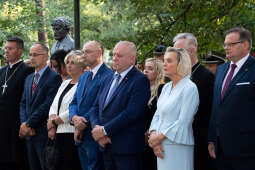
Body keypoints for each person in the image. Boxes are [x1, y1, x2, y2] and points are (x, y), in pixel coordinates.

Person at [88, 41, 150, 170]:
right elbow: (95, 107)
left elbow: (132, 113)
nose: (114, 58)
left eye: (119, 55)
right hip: (105, 146)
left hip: (126, 149)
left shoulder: (140, 80)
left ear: (132, 59)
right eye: (114, 54)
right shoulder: (108, 78)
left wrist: (104, 131)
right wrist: (97, 129)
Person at [208, 27, 255, 170]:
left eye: (231, 44)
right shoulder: (221, 69)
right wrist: (211, 138)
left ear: (246, 45)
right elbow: (216, 105)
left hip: (247, 149)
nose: (226, 48)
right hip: (220, 147)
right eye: (225, 44)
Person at [148, 47, 199, 170]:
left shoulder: (190, 88)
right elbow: (157, 115)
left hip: (178, 145)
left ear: (181, 64)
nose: (164, 64)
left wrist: (157, 139)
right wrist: (154, 136)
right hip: (160, 146)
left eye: (169, 61)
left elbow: (183, 121)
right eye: (164, 60)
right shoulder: (165, 87)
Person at [173, 33, 215, 170]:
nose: (175, 54)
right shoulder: (175, 77)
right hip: (173, 139)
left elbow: (206, 113)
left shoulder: (206, 77)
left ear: (192, 50)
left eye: (179, 51)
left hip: (196, 141)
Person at [69, 41, 112, 170]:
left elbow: (99, 105)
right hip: (80, 133)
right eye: (83, 52)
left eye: (87, 52)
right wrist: (75, 118)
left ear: (99, 53)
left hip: (94, 134)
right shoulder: (84, 76)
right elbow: (74, 102)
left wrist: (82, 123)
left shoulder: (109, 75)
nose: (83, 55)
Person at [19, 42, 62, 170]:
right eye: (30, 54)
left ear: (45, 56)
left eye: (35, 55)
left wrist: (29, 124)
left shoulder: (54, 77)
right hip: (29, 133)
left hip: (43, 132)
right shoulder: (29, 78)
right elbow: (23, 103)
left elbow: (47, 105)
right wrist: (24, 124)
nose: (31, 57)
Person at [0, 37, 34, 170]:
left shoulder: (27, 71)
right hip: (1, 125)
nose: (6, 51)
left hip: (17, 124)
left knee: (17, 160)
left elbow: (26, 100)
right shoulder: (2, 71)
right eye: (6, 48)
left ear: (20, 51)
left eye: (10, 48)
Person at [47, 50, 84, 170]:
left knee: (70, 164)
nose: (68, 65)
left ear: (81, 66)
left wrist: (56, 121)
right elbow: (54, 105)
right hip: (58, 132)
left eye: (72, 62)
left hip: (71, 131)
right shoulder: (65, 83)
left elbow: (77, 106)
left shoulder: (83, 84)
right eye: (67, 62)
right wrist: (52, 122)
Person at [142, 58, 165, 170]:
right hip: (142, 135)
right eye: (145, 68)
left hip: (154, 135)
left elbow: (159, 114)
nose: (145, 71)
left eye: (150, 69)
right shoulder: (142, 88)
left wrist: (151, 131)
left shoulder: (162, 88)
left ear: (159, 72)